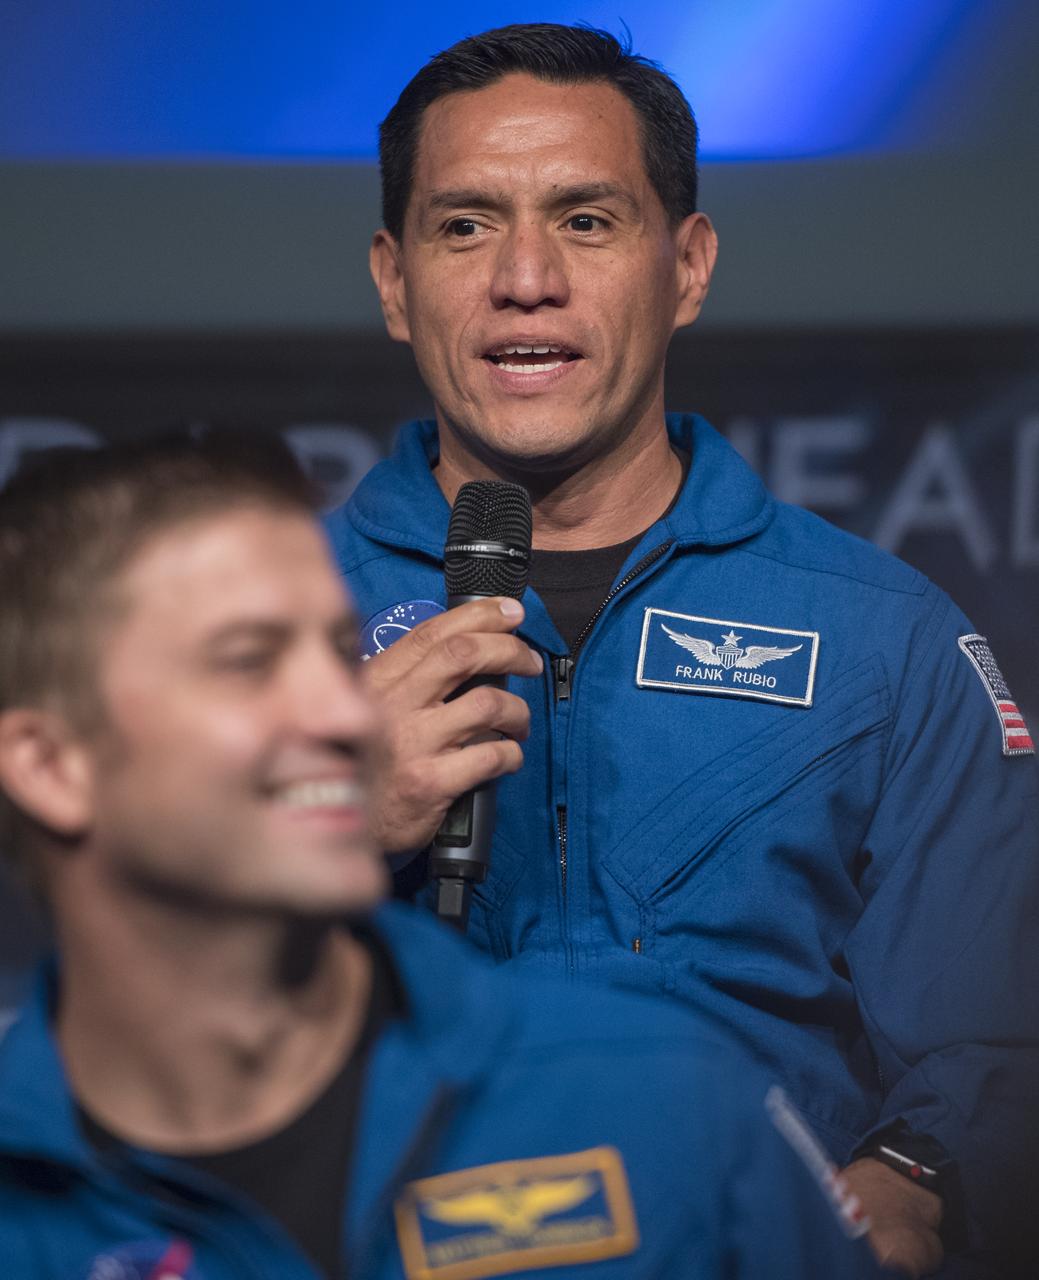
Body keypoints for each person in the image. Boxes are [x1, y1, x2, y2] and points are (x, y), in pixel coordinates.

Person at [322, 22, 1039, 1278]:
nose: (525, 277)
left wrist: (918, 1180)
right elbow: (115, 1016)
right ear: (394, 281)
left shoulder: (883, 635)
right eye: (465, 225)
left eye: (587, 220)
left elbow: (995, 1043)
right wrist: (322, 823)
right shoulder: (265, 629)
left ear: (688, 265)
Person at [0, 436, 888, 1280]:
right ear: (50, 766)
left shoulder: (660, 1096)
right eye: (248, 662)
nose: (351, 716)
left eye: (339, 651)